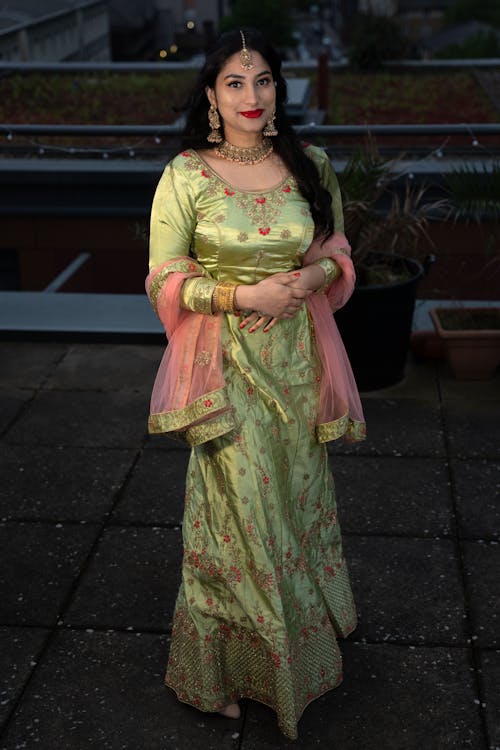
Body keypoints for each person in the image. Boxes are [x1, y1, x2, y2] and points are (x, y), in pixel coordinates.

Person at [145, 27, 366, 740]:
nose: (250, 95)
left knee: (293, 504)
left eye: (263, 80)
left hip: (297, 367)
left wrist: (308, 277)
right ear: (210, 95)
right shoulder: (186, 175)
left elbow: (335, 248)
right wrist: (242, 298)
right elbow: (164, 275)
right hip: (224, 367)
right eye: (235, 82)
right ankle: (222, 671)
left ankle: (300, 646)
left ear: (279, 89)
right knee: (239, 514)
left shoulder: (311, 164)